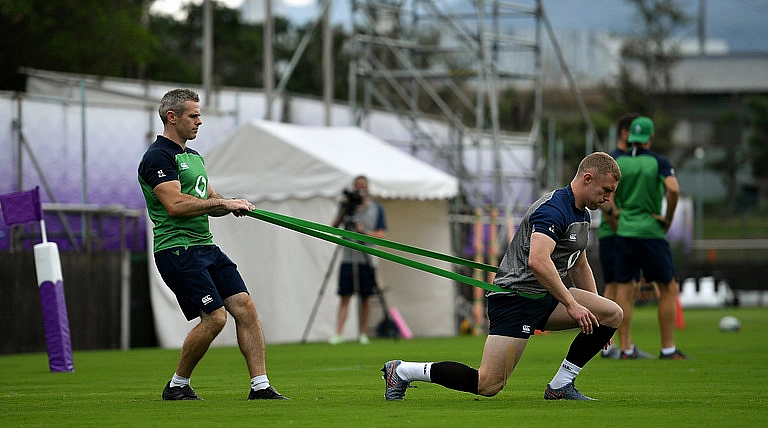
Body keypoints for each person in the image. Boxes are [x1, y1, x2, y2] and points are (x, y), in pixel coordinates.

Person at [381, 152, 624, 401]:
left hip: (546, 297)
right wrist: (572, 305)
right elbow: (538, 261)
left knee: (612, 313)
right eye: (606, 190)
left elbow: (579, 264)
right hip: (515, 300)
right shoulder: (553, 210)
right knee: (487, 384)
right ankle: (402, 371)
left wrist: (596, 319)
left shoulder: (581, 213)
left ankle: (560, 386)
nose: (608, 198)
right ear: (587, 178)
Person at [138, 88, 288, 400]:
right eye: (193, 115)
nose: (199, 121)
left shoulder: (193, 157)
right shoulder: (157, 157)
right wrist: (223, 204)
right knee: (216, 317)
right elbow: (176, 205)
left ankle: (260, 387)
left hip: (204, 247)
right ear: (172, 117)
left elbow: (209, 199)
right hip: (177, 250)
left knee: (245, 307)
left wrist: (232, 204)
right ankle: (177, 385)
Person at [612, 116, 688, 360]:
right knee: (668, 287)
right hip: (651, 232)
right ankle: (667, 348)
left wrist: (616, 214)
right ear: (650, 137)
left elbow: (607, 194)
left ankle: (624, 348)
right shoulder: (659, 162)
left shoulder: (619, 162)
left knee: (624, 288)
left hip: (624, 231)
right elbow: (673, 189)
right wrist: (667, 217)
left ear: (630, 137)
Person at [597, 113, 652, 360]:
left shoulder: (631, 161)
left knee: (618, 287)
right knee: (621, 287)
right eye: (634, 132)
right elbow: (607, 202)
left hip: (620, 232)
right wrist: (624, 231)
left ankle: (611, 345)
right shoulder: (613, 162)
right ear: (624, 133)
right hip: (616, 234)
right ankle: (622, 346)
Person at [328, 175, 387, 345]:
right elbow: (334, 226)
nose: (360, 189)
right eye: (357, 186)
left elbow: (381, 234)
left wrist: (364, 232)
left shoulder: (376, 208)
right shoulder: (347, 206)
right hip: (348, 255)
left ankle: (363, 333)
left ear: (367, 188)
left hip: (366, 256)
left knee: (366, 296)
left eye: (363, 186)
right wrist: (345, 207)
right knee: (345, 295)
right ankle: (338, 333)